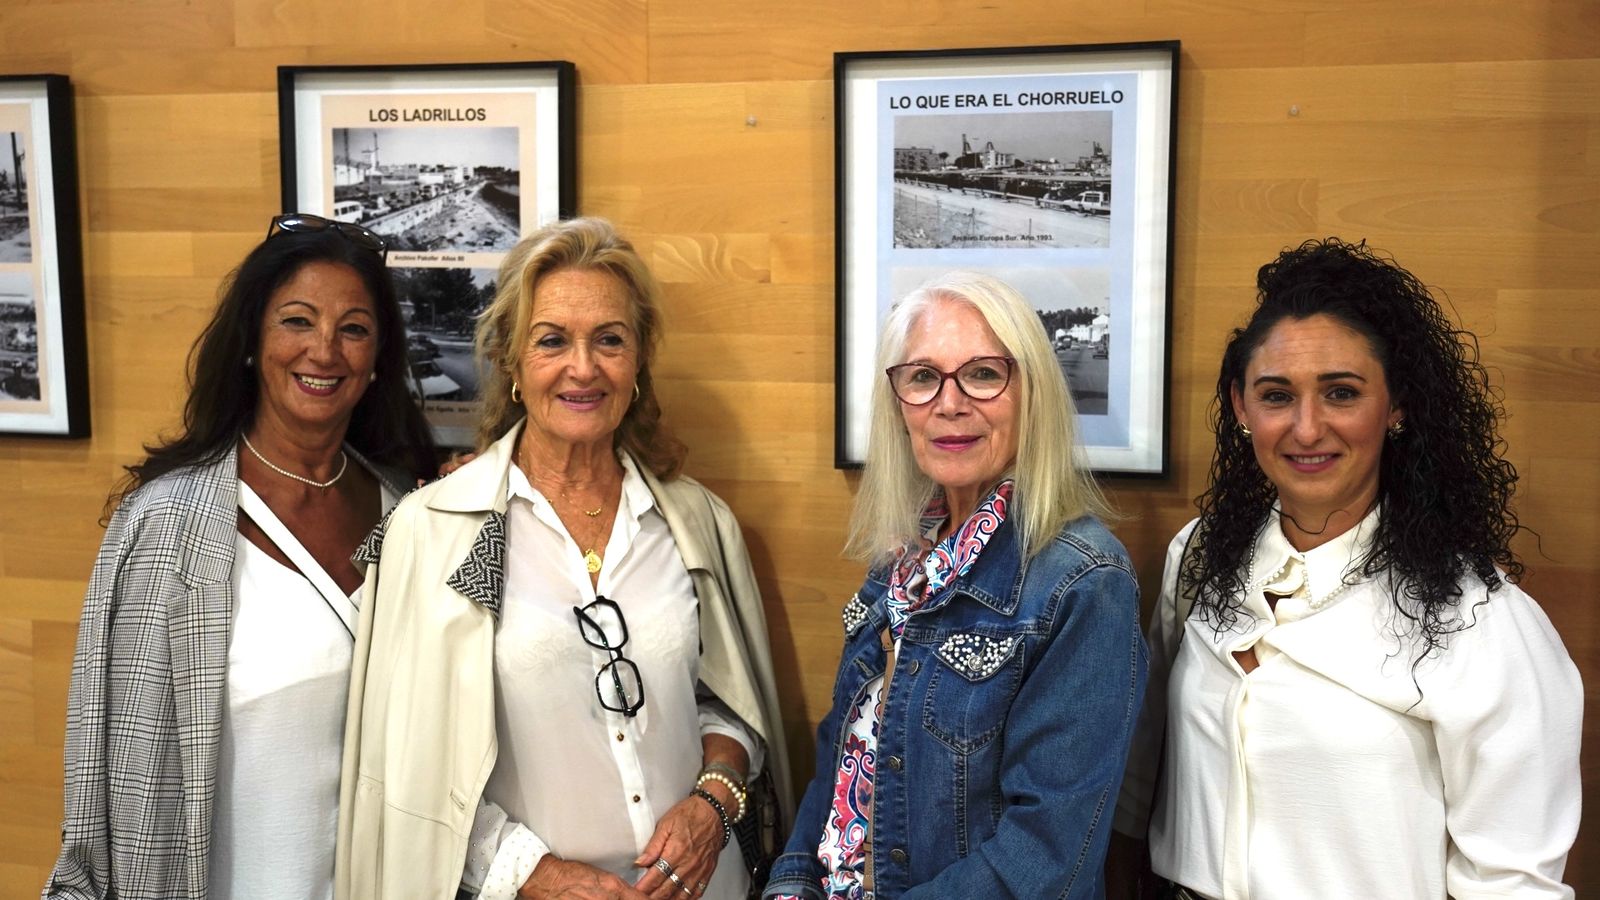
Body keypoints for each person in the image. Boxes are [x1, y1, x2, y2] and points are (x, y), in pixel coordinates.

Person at [1111, 238, 1583, 899]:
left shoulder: (1481, 621)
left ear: (1396, 407)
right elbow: (1140, 775)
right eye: (1277, 396)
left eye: (1341, 393)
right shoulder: (1198, 558)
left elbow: (1514, 883)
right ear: (1241, 409)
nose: (1306, 429)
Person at [336, 217, 792, 900]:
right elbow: (411, 762)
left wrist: (713, 802)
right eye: (553, 340)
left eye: (609, 339)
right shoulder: (433, 531)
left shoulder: (694, 522)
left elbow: (727, 703)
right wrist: (531, 873)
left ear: (637, 362)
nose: (583, 367)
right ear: (512, 362)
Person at [44, 214, 437, 900]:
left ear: (377, 361)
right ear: (253, 342)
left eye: (353, 329)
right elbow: (106, 770)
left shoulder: (411, 515)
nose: (325, 351)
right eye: (297, 321)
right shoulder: (166, 524)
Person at [763, 272, 1147, 900]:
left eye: (983, 374)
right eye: (922, 377)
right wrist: (791, 885)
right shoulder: (901, 563)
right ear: (898, 405)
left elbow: (1047, 858)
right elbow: (839, 761)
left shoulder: (1084, 583)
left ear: (1032, 394)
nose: (949, 403)